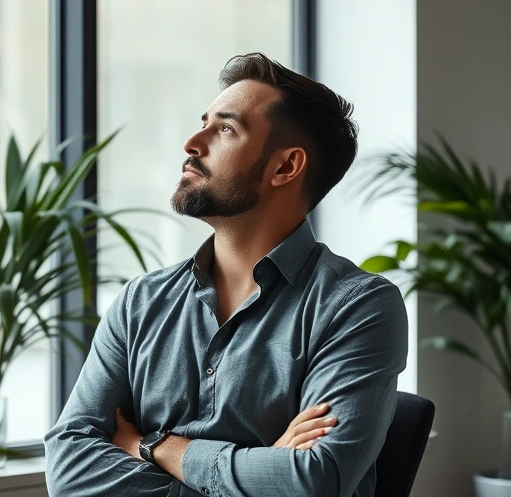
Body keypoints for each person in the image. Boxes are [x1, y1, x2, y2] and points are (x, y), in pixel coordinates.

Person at [44, 53, 408, 497]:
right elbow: (67, 467)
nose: (192, 143)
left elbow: (314, 482)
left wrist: (154, 446)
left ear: (285, 167)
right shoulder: (140, 302)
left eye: (226, 130)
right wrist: (255, 474)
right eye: (204, 122)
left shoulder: (358, 307)